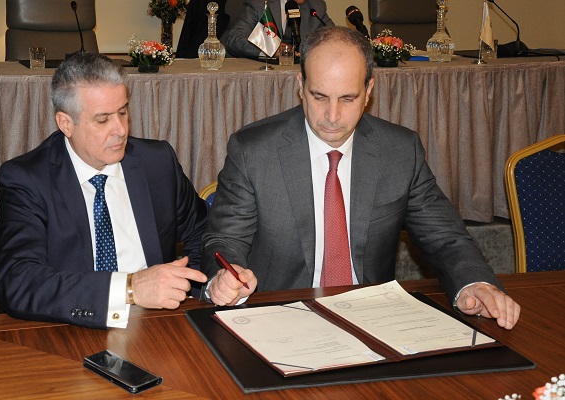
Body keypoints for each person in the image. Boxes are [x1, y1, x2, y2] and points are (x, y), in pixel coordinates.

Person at [202, 26, 521, 330]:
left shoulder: (399, 151)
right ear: (300, 86)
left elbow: (445, 237)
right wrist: (224, 279)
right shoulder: (254, 151)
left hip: (373, 319)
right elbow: (225, 240)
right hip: (280, 318)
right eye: (319, 96)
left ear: (368, 91)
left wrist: (474, 283)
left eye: (347, 99)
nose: (332, 116)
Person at [0, 52, 208, 329]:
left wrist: (199, 287)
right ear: (66, 123)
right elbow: (17, 280)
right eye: (103, 119)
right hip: (72, 327)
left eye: (123, 112)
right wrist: (129, 288)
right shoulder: (28, 179)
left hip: (158, 323)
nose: (120, 130)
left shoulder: (156, 162)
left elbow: (204, 230)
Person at [225, 0, 334, 59]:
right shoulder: (259, 4)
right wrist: (270, 50)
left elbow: (334, 38)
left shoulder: (316, 6)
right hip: (266, 74)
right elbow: (235, 39)